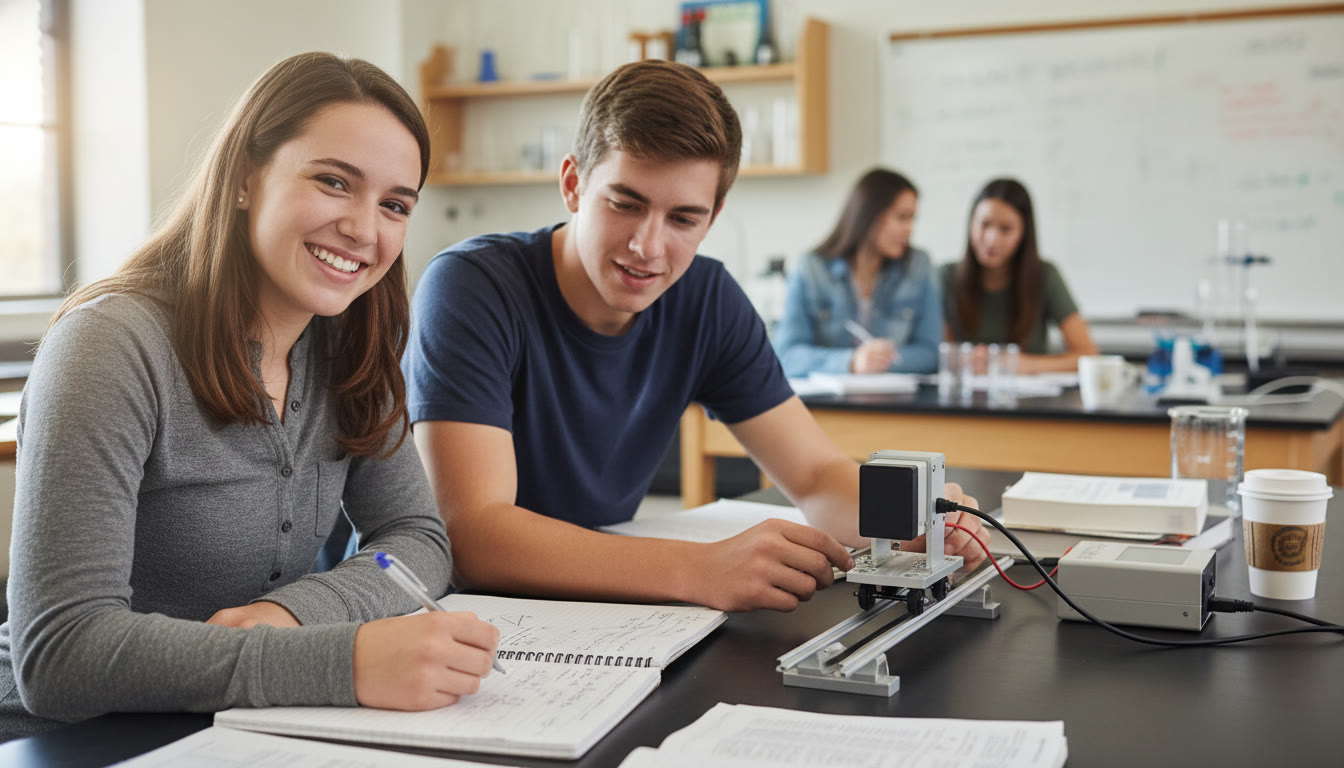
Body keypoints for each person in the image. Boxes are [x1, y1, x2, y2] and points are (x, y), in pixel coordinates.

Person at [0, 52, 500, 743]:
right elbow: (62, 656)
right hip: (63, 738)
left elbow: (416, 537)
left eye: (394, 205)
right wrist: (339, 660)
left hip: (238, 728)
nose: (363, 228)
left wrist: (294, 613)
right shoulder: (110, 345)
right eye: (333, 182)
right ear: (244, 179)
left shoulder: (352, 345)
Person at [403, 60, 988, 615]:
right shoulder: (471, 287)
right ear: (574, 183)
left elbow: (813, 475)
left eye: (683, 219)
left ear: (714, 214)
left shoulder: (706, 298)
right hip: (450, 615)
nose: (648, 246)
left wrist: (914, 519)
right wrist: (699, 569)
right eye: (625, 204)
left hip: (597, 611)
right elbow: (474, 534)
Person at [774, 168, 941, 377]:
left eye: (912, 219)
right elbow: (787, 355)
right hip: (831, 405)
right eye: (902, 217)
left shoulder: (919, 266)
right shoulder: (810, 269)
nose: (910, 229)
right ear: (869, 215)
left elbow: (932, 353)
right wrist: (851, 362)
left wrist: (880, 360)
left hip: (897, 403)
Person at [941, 177, 1098, 374]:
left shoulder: (1044, 276)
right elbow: (940, 354)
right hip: (963, 399)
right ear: (971, 223)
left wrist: (1024, 364)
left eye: (1005, 229)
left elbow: (1088, 354)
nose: (992, 239)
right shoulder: (945, 277)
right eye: (984, 224)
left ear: (1023, 234)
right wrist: (964, 360)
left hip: (1029, 401)